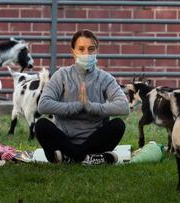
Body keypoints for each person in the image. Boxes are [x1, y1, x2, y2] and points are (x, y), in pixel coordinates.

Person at [35, 29, 130, 165]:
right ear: (73, 52)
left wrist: (91, 107)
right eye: (81, 49)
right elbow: (43, 105)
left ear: (97, 51)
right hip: (63, 140)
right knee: (41, 125)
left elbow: (124, 107)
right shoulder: (61, 75)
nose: (87, 53)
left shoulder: (105, 78)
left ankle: (70, 157)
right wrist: (77, 106)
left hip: (94, 141)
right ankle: (87, 158)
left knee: (118, 125)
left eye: (91, 49)